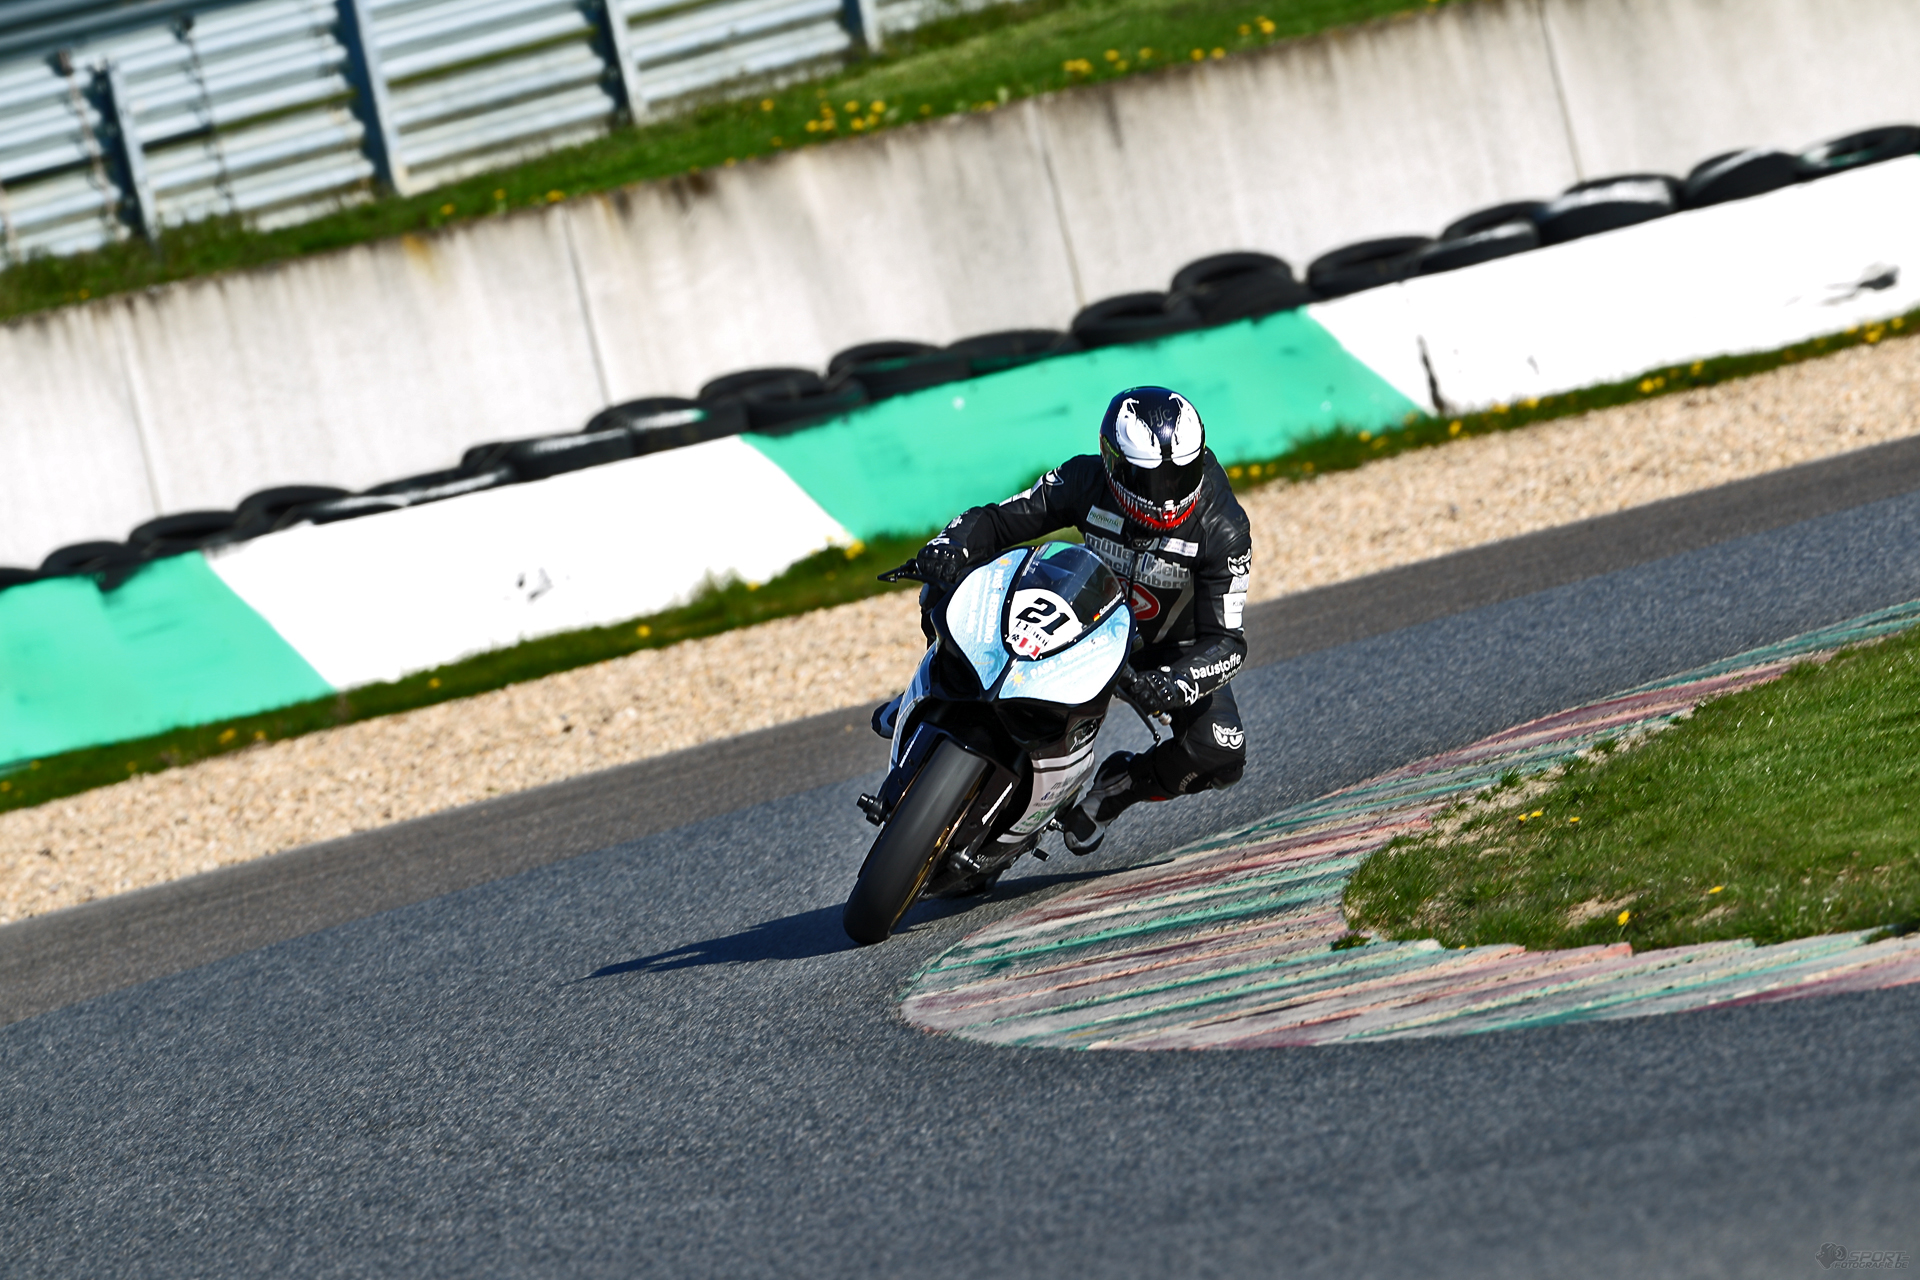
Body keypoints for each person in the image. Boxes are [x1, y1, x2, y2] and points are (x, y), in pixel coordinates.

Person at [888, 385, 1252, 856]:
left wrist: (1175, 682)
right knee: (946, 581)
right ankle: (928, 690)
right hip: (1082, 610)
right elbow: (996, 521)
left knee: (1221, 750)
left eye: (1180, 477)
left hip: (1164, 650)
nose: (1165, 498)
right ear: (1113, 464)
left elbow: (1227, 641)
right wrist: (948, 545)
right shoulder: (1084, 478)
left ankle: (1116, 790)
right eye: (1150, 481)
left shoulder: (1224, 528)